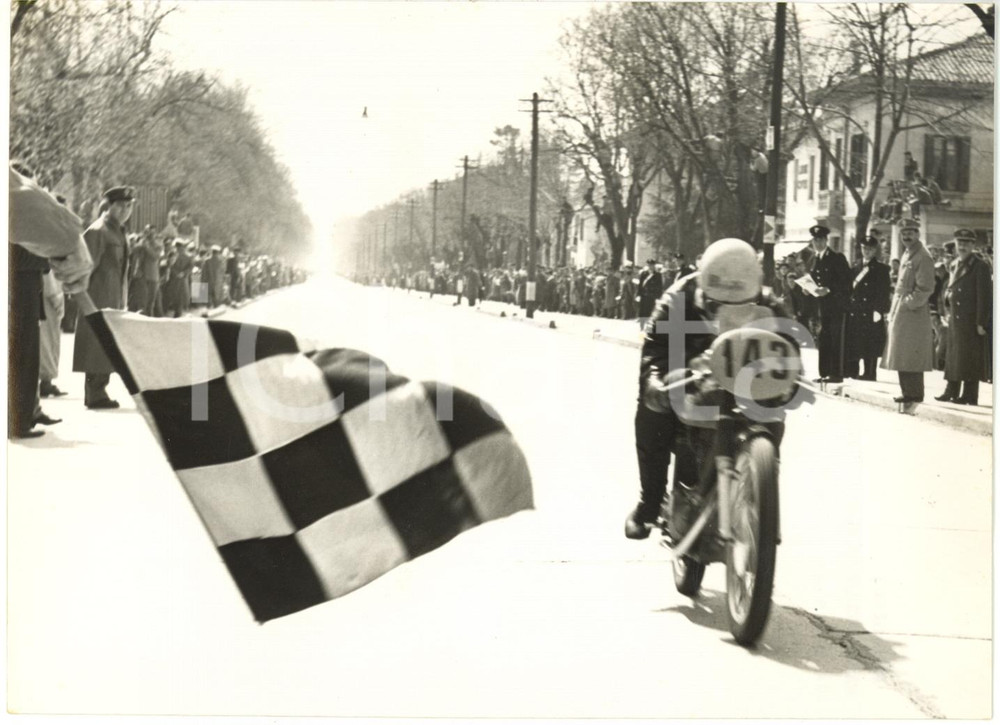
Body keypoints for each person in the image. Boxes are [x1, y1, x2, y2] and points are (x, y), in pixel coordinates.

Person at [624, 238, 793, 539]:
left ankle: (760, 490)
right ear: (704, 288)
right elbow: (653, 355)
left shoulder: (771, 304)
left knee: (774, 411)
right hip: (692, 377)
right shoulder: (676, 299)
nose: (727, 310)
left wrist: (788, 380)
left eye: (741, 304)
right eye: (718, 303)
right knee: (652, 415)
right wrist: (657, 385)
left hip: (745, 384)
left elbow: (789, 353)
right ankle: (649, 502)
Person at [8, 163, 93, 438]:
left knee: (31, 352)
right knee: (23, 353)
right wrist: (66, 241)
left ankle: (27, 411)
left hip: (32, 286)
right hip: (20, 286)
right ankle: (19, 418)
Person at [73, 186, 134, 409]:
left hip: (113, 296)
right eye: (119, 206)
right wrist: (82, 299)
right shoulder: (98, 231)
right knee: (95, 344)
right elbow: (85, 268)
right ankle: (94, 393)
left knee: (105, 345)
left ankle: (99, 390)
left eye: (128, 206)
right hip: (97, 297)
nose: (124, 210)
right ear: (108, 206)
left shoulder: (119, 231)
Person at [881, 218, 935, 405]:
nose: (907, 237)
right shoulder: (907, 254)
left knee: (912, 355)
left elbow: (926, 288)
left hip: (914, 314)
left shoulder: (923, 256)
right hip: (901, 311)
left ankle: (914, 394)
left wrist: (908, 304)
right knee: (902, 354)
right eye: (904, 233)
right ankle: (907, 392)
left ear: (917, 234)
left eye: (910, 233)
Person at [936, 228, 992, 405]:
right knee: (954, 356)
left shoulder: (980, 265)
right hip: (954, 317)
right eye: (960, 243)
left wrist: (981, 322)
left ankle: (969, 395)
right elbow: (949, 289)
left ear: (973, 245)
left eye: (967, 243)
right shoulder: (954, 264)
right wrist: (945, 309)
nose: (963, 246)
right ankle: (951, 390)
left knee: (969, 358)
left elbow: (984, 297)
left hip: (970, 319)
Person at [806, 224, 852, 383]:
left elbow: (846, 282)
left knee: (835, 338)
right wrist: (808, 289)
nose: (818, 243)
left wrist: (829, 289)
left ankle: (836, 373)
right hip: (822, 307)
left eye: (821, 240)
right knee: (823, 338)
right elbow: (813, 280)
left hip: (836, 305)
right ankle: (824, 372)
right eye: (815, 240)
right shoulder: (814, 259)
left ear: (826, 240)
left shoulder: (837, 258)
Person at [844, 235, 891, 380]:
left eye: (870, 249)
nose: (867, 251)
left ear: (875, 250)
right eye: (864, 248)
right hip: (856, 309)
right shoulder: (855, 266)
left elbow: (884, 292)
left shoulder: (882, 269)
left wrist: (879, 310)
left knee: (870, 342)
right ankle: (853, 371)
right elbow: (850, 289)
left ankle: (870, 373)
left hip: (871, 310)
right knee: (855, 340)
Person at [637, 258, 663, 324]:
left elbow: (659, 286)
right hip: (644, 295)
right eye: (649, 265)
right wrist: (638, 294)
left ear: (654, 265)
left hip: (652, 296)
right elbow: (640, 285)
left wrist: (658, 297)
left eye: (652, 265)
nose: (650, 266)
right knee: (643, 311)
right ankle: (642, 327)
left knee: (651, 311)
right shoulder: (644, 274)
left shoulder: (657, 275)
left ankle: (649, 326)